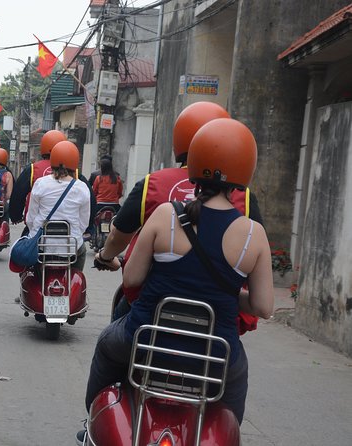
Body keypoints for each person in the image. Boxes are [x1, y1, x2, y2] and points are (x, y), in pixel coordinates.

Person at [79, 118, 274, 444]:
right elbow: (263, 307)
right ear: (245, 170)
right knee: (235, 385)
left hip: (145, 340)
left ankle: (93, 421)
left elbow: (131, 278)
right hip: (215, 355)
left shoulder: (167, 215)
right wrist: (223, 295)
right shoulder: (253, 234)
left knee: (105, 346)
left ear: (194, 160)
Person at [94, 101, 263, 324]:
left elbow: (121, 241)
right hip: (216, 318)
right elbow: (261, 295)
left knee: (110, 342)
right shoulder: (245, 198)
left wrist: (106, 257)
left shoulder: (153, 185)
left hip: (154, 306)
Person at [9, 130, 96, 237]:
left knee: (22, 249)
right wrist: (87, 228)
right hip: (70, 238)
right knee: (81, 251)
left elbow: (18, 195)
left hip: (40, 233)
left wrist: (16, 216)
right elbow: (90, 203)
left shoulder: (33, 171)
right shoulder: (77, 177)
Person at [26, 141, 90, 271]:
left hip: (42, 245)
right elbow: (83, 223)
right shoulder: (82, 187)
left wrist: (34, 231)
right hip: (71, 247)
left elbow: (31, 218)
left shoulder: (40, 183)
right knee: (82, 251)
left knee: (29, 269)